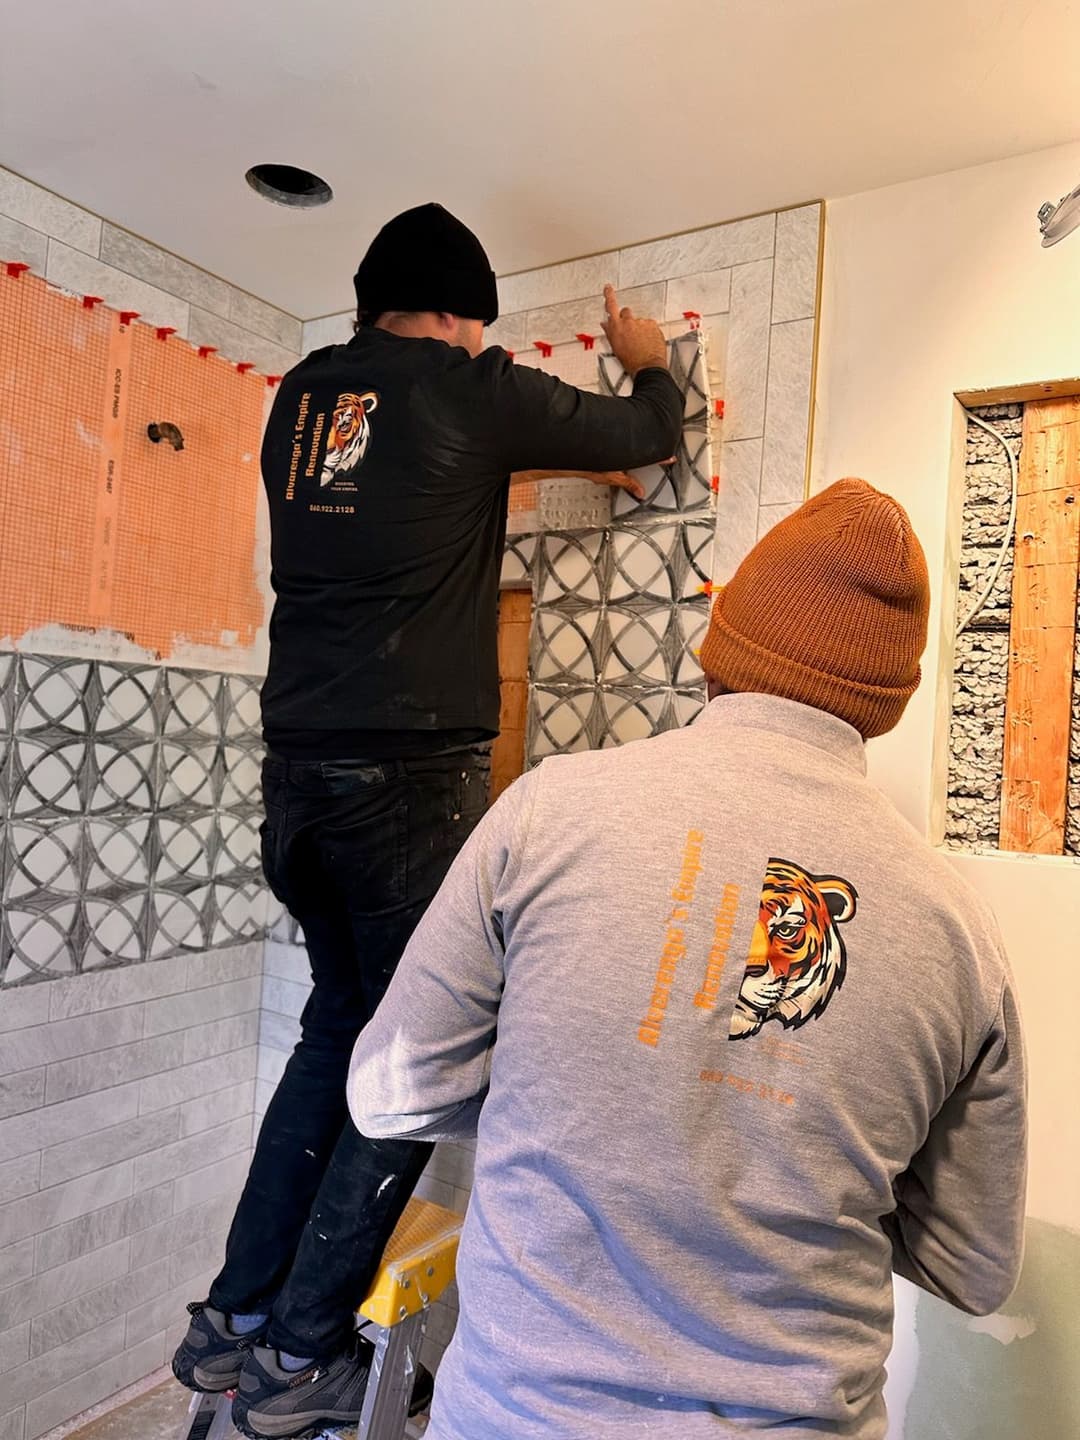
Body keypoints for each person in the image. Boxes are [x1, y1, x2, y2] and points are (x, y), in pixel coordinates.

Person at [348, 478, 1028, 1440]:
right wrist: (807, 1165)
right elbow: (973, 1263)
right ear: (883, 706)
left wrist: (572, 1100)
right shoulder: (959, 929)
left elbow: (390, 1093)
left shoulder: (552, 811)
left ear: (717, 655)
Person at [170, 201, 683, 1439]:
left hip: (294, 777)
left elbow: (399, 485)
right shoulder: (475, 388)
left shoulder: (301, 397)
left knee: (333, 1032)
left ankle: (233, 1321)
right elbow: (649, 435)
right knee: (412, 1070)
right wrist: (650, 351)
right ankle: (296, 1363)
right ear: (461, 318)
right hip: (406, 786)